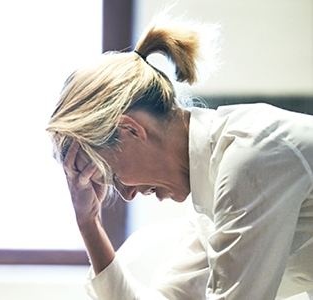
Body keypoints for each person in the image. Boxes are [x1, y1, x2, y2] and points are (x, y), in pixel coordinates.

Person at [47, 9, 313, 300]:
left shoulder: (251, 157)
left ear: (130, 130)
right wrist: (89, 222)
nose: (126, 194)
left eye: (113, 175)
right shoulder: (211, 190)